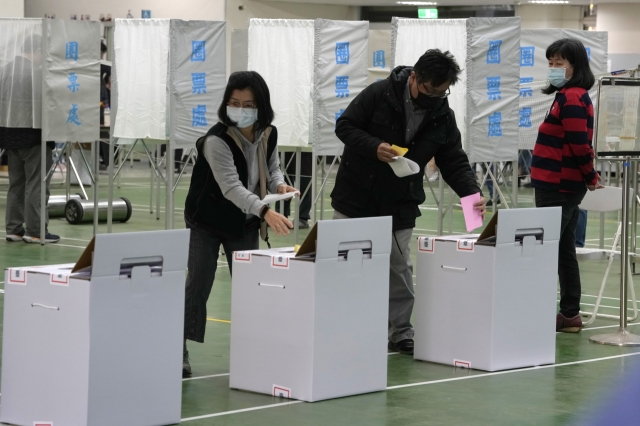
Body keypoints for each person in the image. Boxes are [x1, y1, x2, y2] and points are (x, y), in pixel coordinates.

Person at [331, 49, 486, 355]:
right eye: (430, 90)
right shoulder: (379, 94)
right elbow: (345, 126)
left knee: (399, 268)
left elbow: (453, 159)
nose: (436, 97)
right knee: (342, 265)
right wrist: (374, 146)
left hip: (399, 200)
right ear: (414, 77)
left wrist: (472, 196)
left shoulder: (442, 113)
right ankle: (338, 324)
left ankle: (401, 331)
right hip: (355, 196)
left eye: (443, 92)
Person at [182, 71, 298, 375]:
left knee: (251, 287)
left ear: (260, 106)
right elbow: (231, 187)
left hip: (244, 221)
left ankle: (254, 347)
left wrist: (279, 186)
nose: (241, 108)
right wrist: (265, 213)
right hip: (206, 219)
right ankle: (176, 346)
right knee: (198, 285)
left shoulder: (267, 132)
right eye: (234, 102)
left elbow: (271, 169)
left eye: (248, 103)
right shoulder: (216, 141)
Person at [530, 38, 603, 333]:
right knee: (562, 249)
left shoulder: (572, 97)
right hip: (559, 184)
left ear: (575, 66)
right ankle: (569, 314)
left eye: (559, 63)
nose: (553, 68)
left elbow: (579, 144)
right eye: (550, 63)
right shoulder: (566, 96)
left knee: (545, 250)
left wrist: (590, 175)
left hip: (559, 185)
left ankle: (539, 310)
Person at [0, 35, 59, 244]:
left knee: (16, 185)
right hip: (34, 137)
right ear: (37, 51)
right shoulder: (37, 74)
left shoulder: (5, 69)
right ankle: (35, 231)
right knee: (37, 185)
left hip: (9, 137)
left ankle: (13, 230)